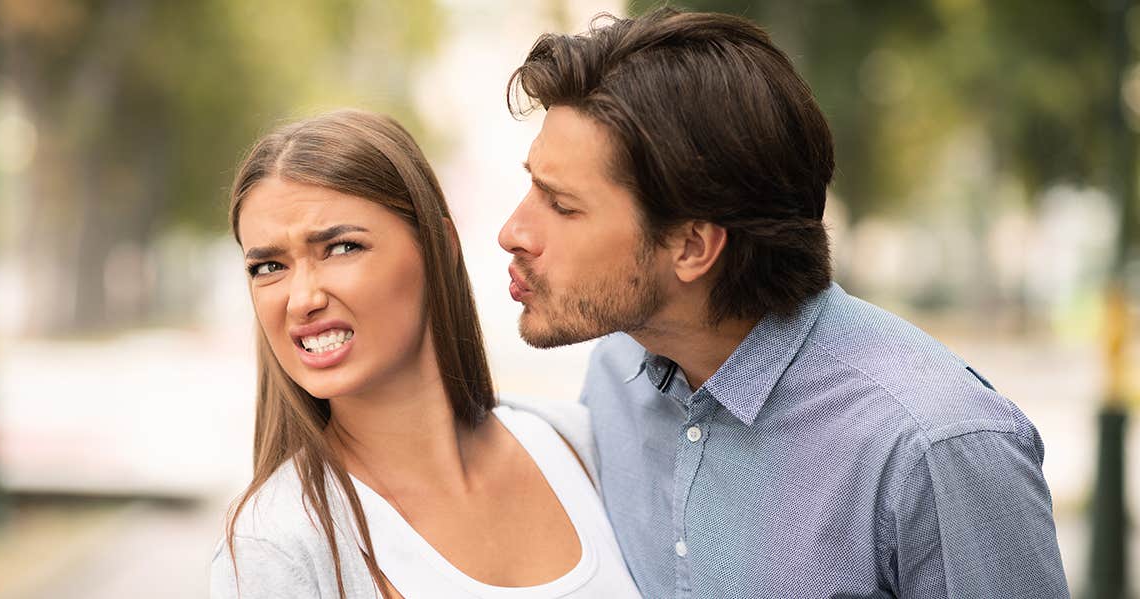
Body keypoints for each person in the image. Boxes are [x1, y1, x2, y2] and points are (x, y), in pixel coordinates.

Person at [498, 8, 1069, 598]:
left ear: (693, 247)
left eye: (562, 205)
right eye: (532, 186)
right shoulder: (619, 369)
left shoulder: (934, 446)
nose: (513, 231)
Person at [210, 110, 640, 599]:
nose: (302, 298)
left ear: (441, 246)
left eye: (342, 248)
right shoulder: (274, 542)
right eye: (268, 266)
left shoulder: (575, 442)